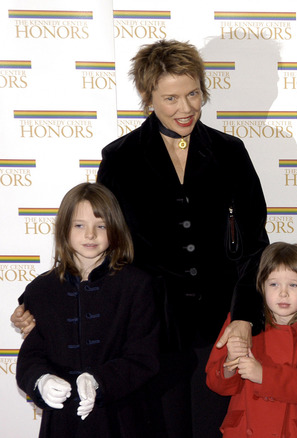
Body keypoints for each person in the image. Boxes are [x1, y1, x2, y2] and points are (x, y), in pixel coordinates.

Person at [12, 39, 270, 438]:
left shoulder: (231, 152)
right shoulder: (120, 158)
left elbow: (255, 246)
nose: (185, 108)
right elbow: (97, 244)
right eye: (171, 98)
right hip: (146, 336)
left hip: (219, 332)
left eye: (193, 94)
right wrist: (40, 307)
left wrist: (244, 317)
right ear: (148, 98)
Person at [16, 182, 160, 437]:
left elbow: (143, 357)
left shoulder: (137, 285)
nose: (90, 235)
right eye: (79, 225)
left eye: (101, 225)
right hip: (62, 424)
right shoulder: (41, 290)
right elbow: (31, 357)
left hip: (122, 421)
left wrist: (98, 380)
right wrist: (41, 380)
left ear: (115, 229)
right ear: (64, 229)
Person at [205, 242, 297, 438]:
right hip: (244, 431)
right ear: (261, 285)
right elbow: (216, 384)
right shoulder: (241, 324)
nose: (283, 293)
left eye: (293, 285)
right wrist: (229, 364)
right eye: (274, 284)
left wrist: (264, 376)